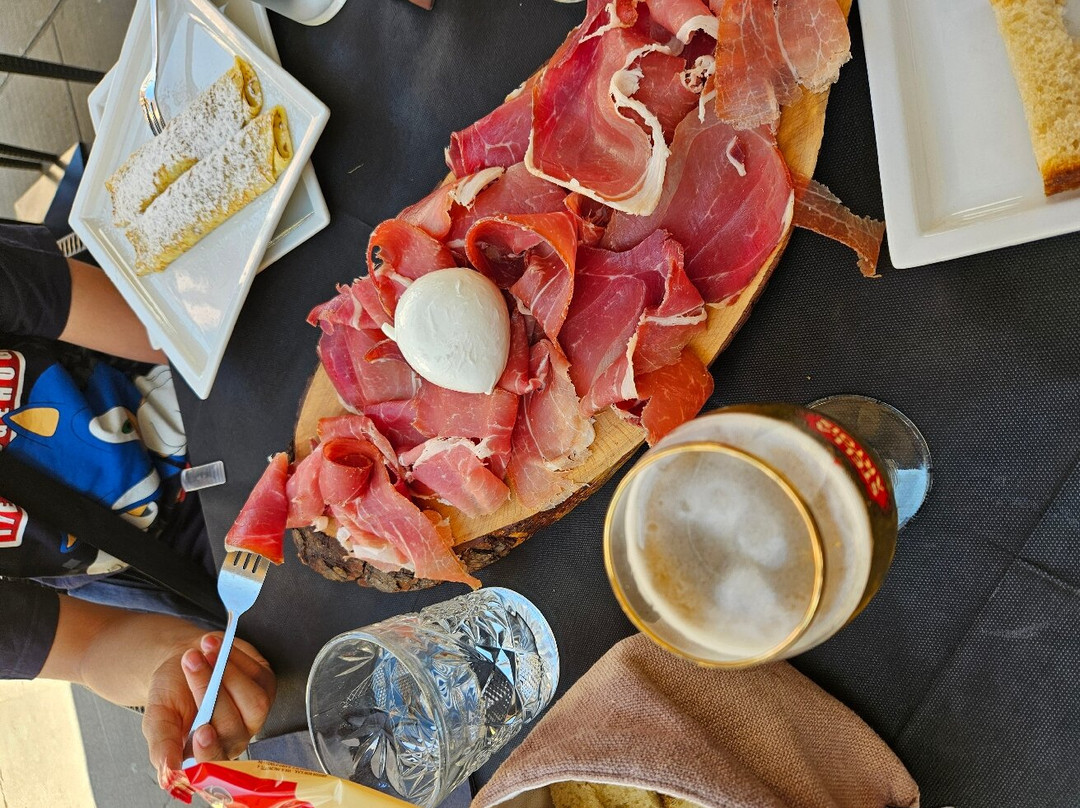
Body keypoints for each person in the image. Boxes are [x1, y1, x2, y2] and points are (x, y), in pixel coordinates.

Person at [0, 221, 275, 785]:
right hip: (171, 568)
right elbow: (86, 647)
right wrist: (171, 663)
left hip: (199, 390)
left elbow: (172, 337)